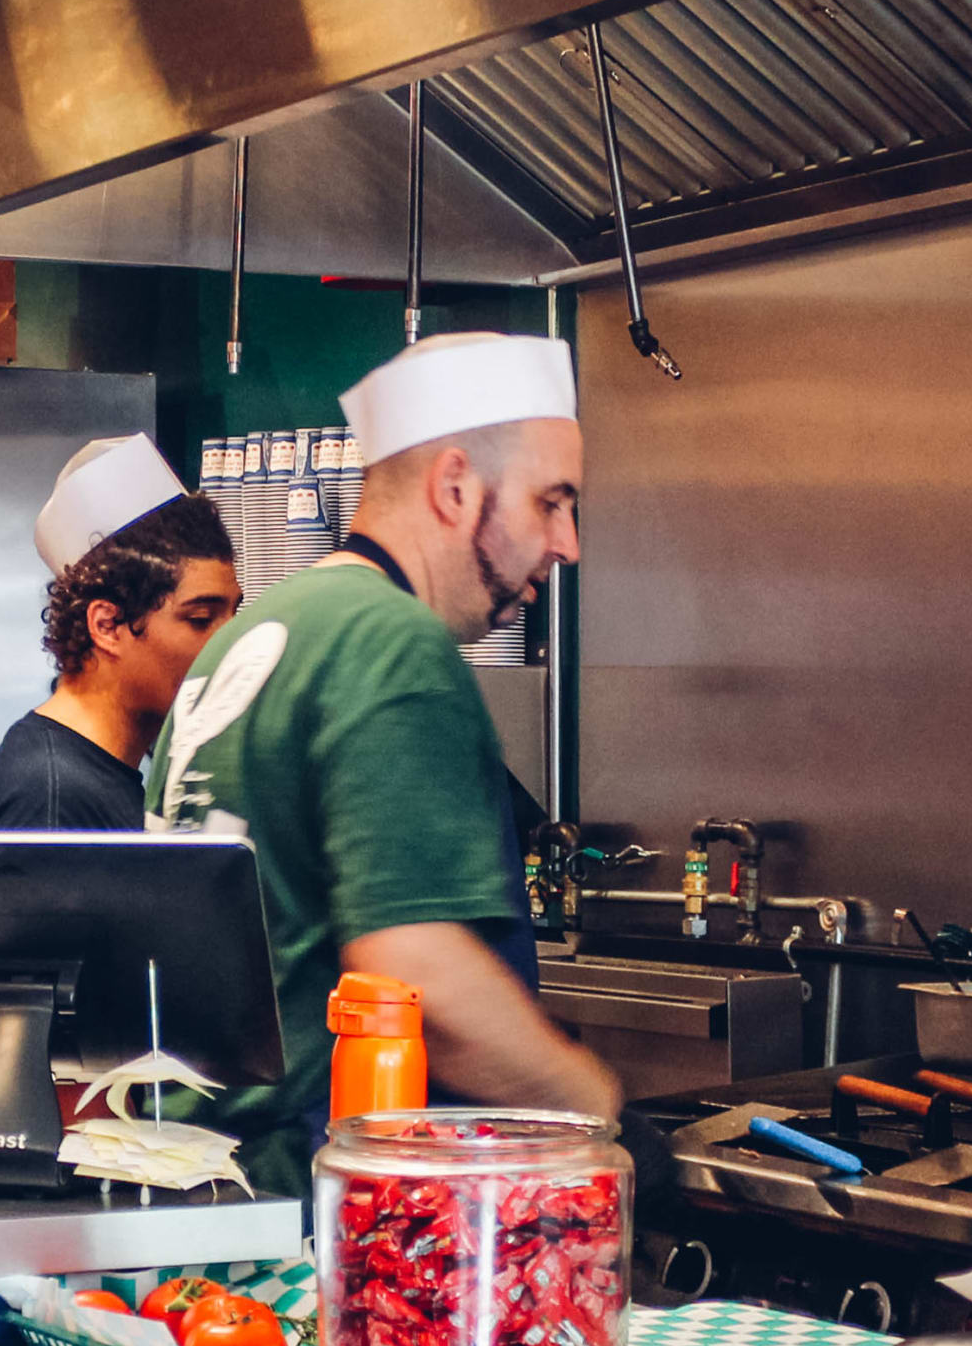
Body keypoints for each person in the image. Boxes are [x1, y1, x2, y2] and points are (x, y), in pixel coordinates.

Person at [145, 334, 620, 1193]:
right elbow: (417, 979)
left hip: (202, 1185)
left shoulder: (260, 632)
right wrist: (602, 1122)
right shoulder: (392, 644)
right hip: (313, 1205)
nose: (568, 543)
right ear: (454, 487)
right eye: (551, 502)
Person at [0, 436, 241, 831]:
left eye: (235, 613)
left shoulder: (85, 776)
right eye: (200, 619)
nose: (230, 642)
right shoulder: (51, 800)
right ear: (106, 626)